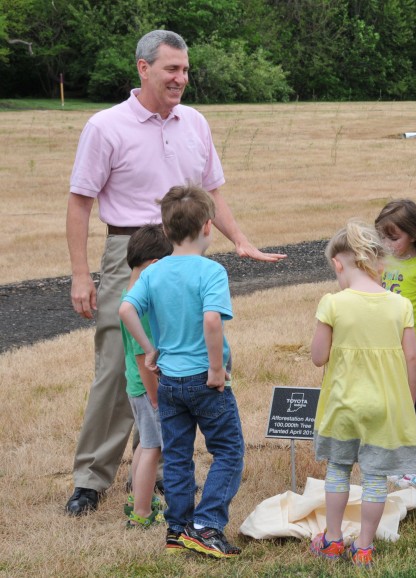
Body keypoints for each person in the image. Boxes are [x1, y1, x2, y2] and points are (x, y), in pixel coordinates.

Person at [65, 29, 285, 516]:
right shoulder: (106, 126)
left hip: (185, 248)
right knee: (119, 367)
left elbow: (213, 193)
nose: (181, 79)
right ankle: (91, 478)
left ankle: (163, 468)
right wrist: (82, 276)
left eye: (185, 70)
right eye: (171, 69)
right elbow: (80, 202)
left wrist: (241, 241)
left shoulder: (195, 123)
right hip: (131, 250)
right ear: (143, 69)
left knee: (178, 361)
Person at [120, 184, 244, 558]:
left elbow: (126, 311)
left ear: (167, 229)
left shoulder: (153, 273)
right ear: (209, 227)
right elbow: (211, 321)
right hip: (205, 380)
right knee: (228, 451)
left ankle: (177, 529)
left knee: (177, 455)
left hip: (169, 380)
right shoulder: (212, 271)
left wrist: (150, 349)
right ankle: (206, 526)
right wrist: (217, 369)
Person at [309, 220, 416, 568]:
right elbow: (412, 358)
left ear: (338, 264)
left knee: (338, 471)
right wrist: (409, 402)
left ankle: (332, 539)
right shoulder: (400, 305)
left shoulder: (333, 303)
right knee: (374, 477)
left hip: (343, 405)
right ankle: (365, 546)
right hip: (384, 407)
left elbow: (317, 357)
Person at [375, 199, 416, 486]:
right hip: (385, 346)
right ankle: (393, 460)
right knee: (389, 405)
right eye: (383, 237)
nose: (388, 244)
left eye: (394, 237)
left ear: (412, 234)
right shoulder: (381, 262)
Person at [120, 225, 173, 528]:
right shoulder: (140, 306)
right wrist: (155, 397)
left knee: (145, 443)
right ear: (154, 266)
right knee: (154, 447)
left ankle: (138, 499)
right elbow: (144, 358)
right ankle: (141, 512)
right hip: (146, 386)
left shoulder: (128, 295)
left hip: (135, 386)